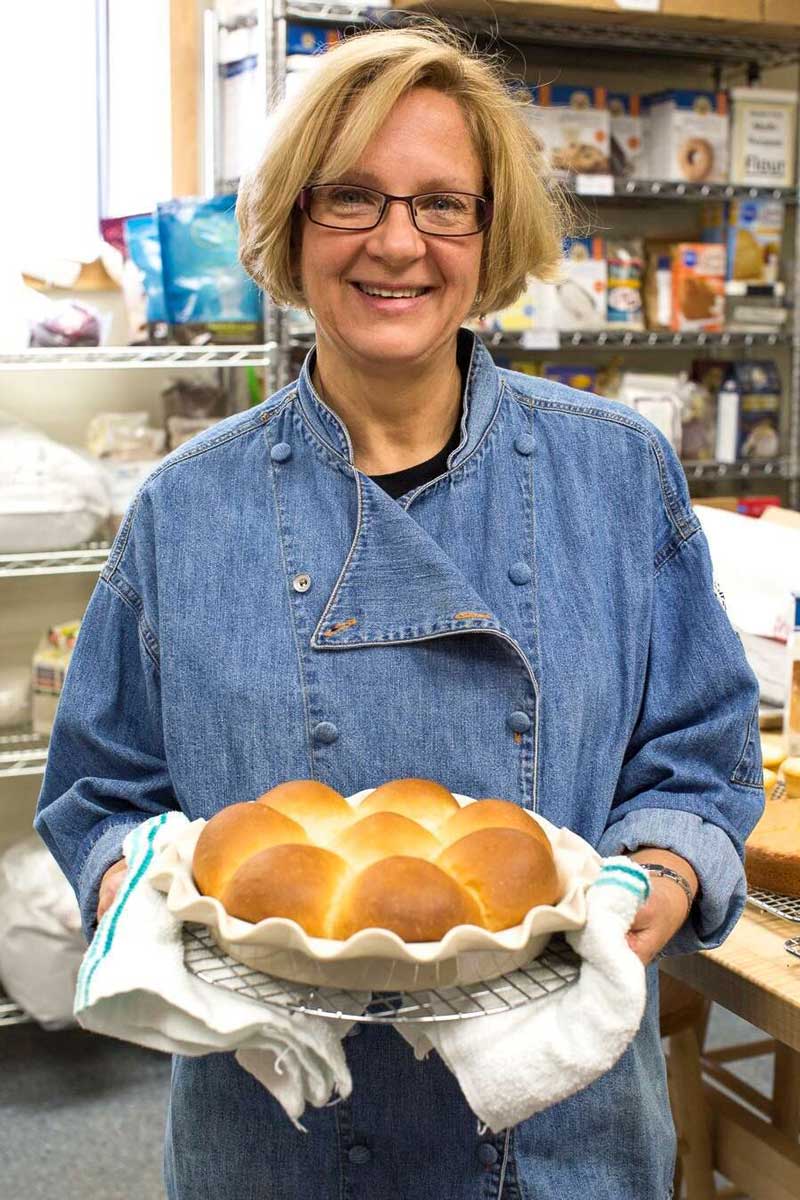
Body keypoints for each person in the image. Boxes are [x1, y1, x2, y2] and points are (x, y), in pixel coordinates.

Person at [35, 24, 764, 1200]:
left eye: (441, 205)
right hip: (272, 1137)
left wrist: (656, 881)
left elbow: (700, 755)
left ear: (489, 237)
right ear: (290, 222)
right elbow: (102, 792)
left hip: (559, 1141)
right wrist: (146, 897)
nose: (395, 243)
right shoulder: (185, 508)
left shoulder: (616, 474)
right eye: (351, 197)